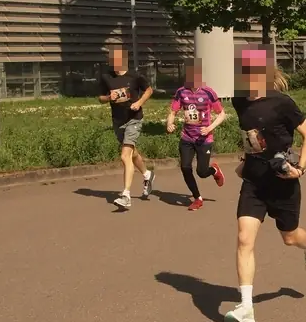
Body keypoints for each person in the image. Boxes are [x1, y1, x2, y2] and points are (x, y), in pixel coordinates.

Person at [224, 46, 306, 322]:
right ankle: (246, 307)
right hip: (253, 181)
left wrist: (300, 169)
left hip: (282, 181)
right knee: (244, 239)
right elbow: (252, 136)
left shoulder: (282, 103)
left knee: (290, 237)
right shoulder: (238, 100)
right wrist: (246, 159)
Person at [165, 59, 228, 211]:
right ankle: (197, 198)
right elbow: (173, 111)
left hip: (204, 139)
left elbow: (222, 114)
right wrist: (169, 123)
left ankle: (213, 170)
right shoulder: (181, 91)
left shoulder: (208, 92)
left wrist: (209, 128)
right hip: (187, 137)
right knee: (185, 167)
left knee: (201, 172)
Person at [98, 48, 156, 209]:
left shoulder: (135, 76)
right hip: (118, 121)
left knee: (125, 156)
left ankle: (126, 195)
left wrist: (139, 103)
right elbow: (100, 97)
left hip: (134, 119)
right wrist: (109, 98)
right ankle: (147, 174)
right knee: (132, 152)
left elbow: (149, 90)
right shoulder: (107, 77)